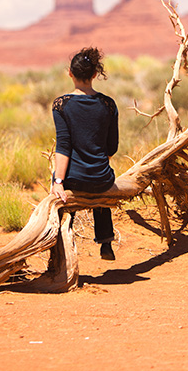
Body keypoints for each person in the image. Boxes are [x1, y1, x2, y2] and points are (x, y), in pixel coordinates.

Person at [51, 47, 119, 260]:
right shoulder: (108, 104)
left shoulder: (61, 105)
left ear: (70, 73)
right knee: (99, 184)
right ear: (94, 75)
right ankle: (106, 241)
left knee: (60, 194)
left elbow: (63, 146)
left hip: (74, 180)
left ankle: (62, 243)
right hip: (102, 180)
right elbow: (112, 148)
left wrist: (58, 181)